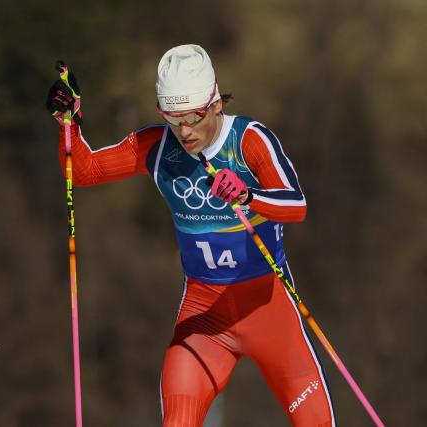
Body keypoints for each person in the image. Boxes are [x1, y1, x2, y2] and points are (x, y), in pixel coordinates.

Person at [46, 44, 335, 427]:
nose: (184, 131)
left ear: (215, 103)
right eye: (173, 118)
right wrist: (69, 123)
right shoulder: (158, 146)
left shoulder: (249, 141)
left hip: (269, 312)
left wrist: (250, 196)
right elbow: (84, 172)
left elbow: (296, 205)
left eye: (193, 118)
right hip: (205, 319)